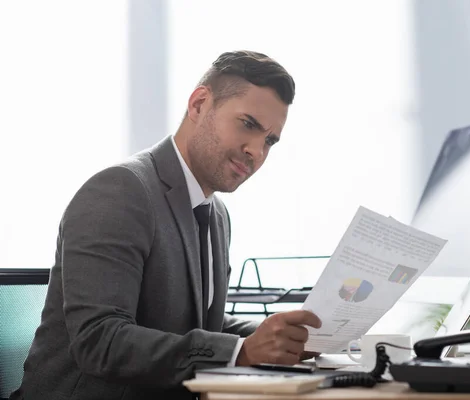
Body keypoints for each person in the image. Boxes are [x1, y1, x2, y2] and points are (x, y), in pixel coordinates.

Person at [11, 50, 322, 400]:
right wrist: (242, 352)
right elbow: (100, 340)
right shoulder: (120, 191)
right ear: (199, 104)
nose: (257, 151)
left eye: (269, 140)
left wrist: (282, 337)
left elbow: (198, 326)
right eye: (248, 124)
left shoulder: (216, 214)